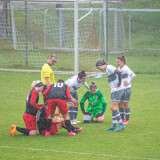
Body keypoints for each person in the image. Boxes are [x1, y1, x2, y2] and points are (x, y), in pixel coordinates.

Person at [96, 60, 125, 131]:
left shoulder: (109, 67)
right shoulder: (107, 69)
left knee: (113, 107)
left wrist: (119, 83)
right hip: (114, 90)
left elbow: (118, 72)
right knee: (112, 108)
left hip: (117, 90)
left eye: (99, 67)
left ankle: (121, 124)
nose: (99, 69)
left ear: (102, 65)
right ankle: (114, 125)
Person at [116, 56, 136, 124]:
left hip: (126, 89)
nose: (117, 63)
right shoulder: (119, 68)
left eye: (118, 62)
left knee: (125, 104)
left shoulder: (126, 68)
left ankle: (127, 120)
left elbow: (133, 75)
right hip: (121, 89)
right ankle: (122, 120)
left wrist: (129, 83)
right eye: (116, 62)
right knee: (120, 104)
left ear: (122, 61)